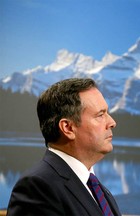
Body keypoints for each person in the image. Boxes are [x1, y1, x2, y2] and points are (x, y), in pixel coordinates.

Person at [7, 78, 122, 216]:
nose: (112, 122)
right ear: (68, 128)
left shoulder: (97, 188)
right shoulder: (38, 187)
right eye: (100, 115)